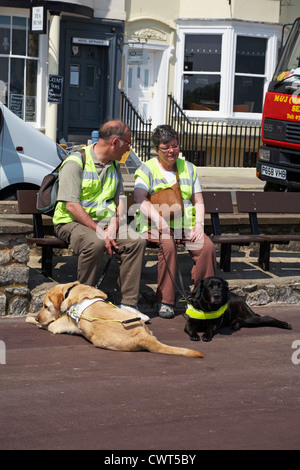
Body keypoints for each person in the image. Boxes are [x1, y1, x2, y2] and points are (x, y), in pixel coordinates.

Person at [53, 120, 149, 321]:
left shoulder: (114, 165)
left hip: (105, 223)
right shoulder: (75, 162)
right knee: (95, 243)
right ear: (116, 142)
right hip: (71, 221)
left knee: (136, 240)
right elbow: (71, 205)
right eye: (128, 144)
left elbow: (120, 200)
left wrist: (115, 223)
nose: (129, 149)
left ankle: (128, 305)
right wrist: (101, 231)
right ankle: (80, 304)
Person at [134, 124, 216, 319]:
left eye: (175, 146)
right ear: (156, 150)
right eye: (166, 148)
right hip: (154, 225)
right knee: (168, 245)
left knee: (207, 247)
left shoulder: (188, 168)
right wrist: (159, 221)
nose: (172, 151)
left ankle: (202, 297)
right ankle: (165, 301)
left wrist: (199, 226)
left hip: (184, 226)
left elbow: (198, 201)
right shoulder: (147, 169)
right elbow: (139, 199)